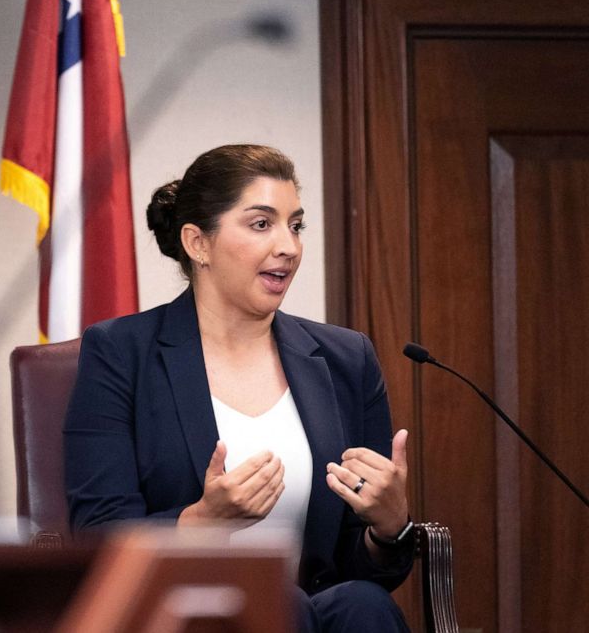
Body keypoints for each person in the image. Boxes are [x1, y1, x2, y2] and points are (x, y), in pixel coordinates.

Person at [64, 145, 414, 631]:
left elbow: (362, 568)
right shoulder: (120, 353)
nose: (289, 247)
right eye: (261, 224)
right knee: (276, 603)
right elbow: (98, 537)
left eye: (296, 226)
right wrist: (203, 522)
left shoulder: (345, 359)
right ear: (197, 243)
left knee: (363, 606)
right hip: (180, 611)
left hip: (312, 608)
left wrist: (388, 526)